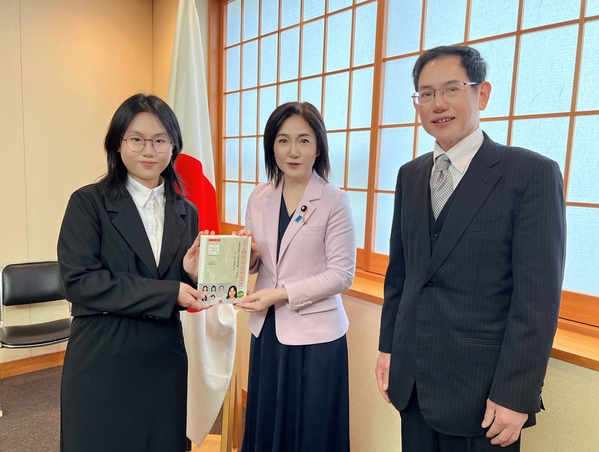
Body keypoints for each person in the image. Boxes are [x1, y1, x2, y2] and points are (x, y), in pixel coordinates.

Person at [375, 45, 566, 452]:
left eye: (451, 89)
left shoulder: (530, 174)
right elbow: (401, 276)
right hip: (412, 380)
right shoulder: (410, 176)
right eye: (426, 93)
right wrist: (388, 348)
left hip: (484, 394)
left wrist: (516, 394)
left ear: (482, 94)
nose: (437, 104)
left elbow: (537, 300)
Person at [57, 93, 211, 452]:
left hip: (164, 354)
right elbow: (78, 281)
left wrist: (190, 274)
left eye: (160, 140)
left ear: (173, 146)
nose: (148, 150)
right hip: (104, 350)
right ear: (118, 143)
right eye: (137, 139)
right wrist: (170, 291)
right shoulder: (88, 202)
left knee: (162, 441)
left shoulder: (186, 210)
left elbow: (178, 285)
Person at [235, 101, 356, 452]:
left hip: (316, 337)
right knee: (267, 420)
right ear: (271, 147)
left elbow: (342, 275)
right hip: (268, 330)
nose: (293, 151)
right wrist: (249, 256)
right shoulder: (259, 196)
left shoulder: (334, 200)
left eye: (304, 140)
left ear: (318, 147)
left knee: (310, 430)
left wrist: (282, 293)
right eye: (283, 140)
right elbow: (258, 264)